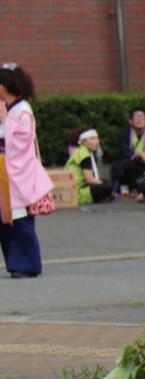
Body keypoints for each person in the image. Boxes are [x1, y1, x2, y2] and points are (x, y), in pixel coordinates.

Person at [0, 65, 52, 279]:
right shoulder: (8, 107)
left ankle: (28, 264)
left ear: (2, 88)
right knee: (4, 219)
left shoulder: (22, 110)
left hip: (16, 171)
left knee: (19, 218)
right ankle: (15, 262)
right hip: (4, 169)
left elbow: (21, 141)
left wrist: (5, 120)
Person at [110, 108, 145, 196]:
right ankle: (125, 192)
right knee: (123, 166)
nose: (139, 120)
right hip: (130, 161)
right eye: (136, 118)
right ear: (130, 121)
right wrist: (139, 154)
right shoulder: (124, 134)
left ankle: (138, 190)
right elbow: (124, 151)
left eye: (141, 118)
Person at [66, 129, 114, 205]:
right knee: (108, 186)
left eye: (97, 138)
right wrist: (103, 184)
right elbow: (90, 180)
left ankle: (103, 197)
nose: (96, 141)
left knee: (107, 183)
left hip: (78, 186)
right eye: (92, 138)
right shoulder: (84, 155)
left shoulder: (82, 151)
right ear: (83, 141)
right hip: (79, 191)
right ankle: (101, 197)